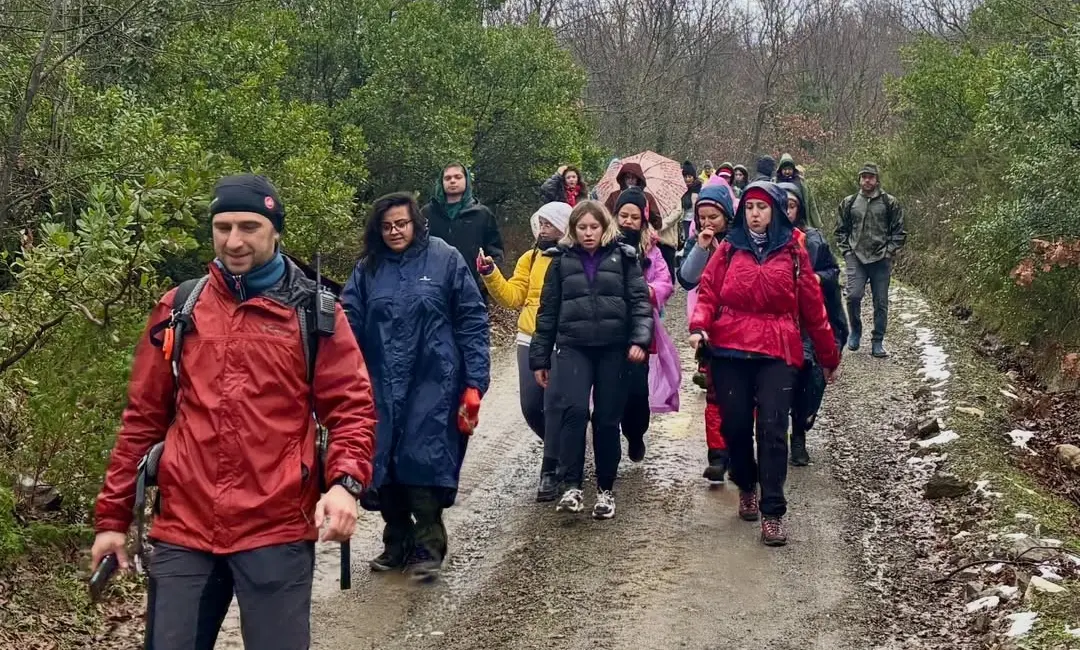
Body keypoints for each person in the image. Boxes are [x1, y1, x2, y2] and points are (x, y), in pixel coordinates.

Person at [91, 174, 377, 649]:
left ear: (275, 230)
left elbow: (352, 408)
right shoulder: (181, 307)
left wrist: (344, 484)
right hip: (185, 526)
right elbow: (142, 418)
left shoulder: (314, 312)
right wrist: (112, 520)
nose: (234, 240)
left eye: (249, 226)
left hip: (276, 525)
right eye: (223, 227)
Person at [342, 192, 491, 582]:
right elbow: (349, 323)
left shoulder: (445, 259)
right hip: (379, 381)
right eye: (387, 226)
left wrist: (474, 382)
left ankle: (428, 545)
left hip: (434, 380)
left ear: (415, 223)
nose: (394, 232)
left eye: (401, 224)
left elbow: (472, 320)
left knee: (423, 463)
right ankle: (397, 541)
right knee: (383, 465)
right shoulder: (367, 269)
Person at [688, 182, 840, 547]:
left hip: (777, 349)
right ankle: (746, 484)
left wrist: (828, 355)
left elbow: (813, 309)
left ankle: (772, 512)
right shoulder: (728, 250)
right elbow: (708, 293)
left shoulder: (794, 254)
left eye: (763, 207)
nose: (756, 214)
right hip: (729, 350)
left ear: (774, 212)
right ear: (743, 212)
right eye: (751, 207)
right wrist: (698, 328)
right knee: (736, 428)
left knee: (772, 429)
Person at [530, 200, 652, 520]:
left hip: (613, 348)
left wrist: (640, 340)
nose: (587, 233)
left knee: (607, 419)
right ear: (572, 230)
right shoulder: (559, 261)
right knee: (575, 410)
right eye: (581, 228)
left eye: (593, 227)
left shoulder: (624, 257)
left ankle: (605, 490)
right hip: (573, 347)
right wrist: (539, 358)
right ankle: (571, 485)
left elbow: (640, 303)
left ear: (604, 227)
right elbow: (547, 312)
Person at [478, 201, 571, 501]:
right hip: (529, 338)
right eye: (540, 223)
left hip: (564, 341)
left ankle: (552, 468)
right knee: (532, 407)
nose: (543, 229)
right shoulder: (529, 259)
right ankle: (562, 447)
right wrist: (491, 274)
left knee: (556, 405)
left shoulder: (575, 258)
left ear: (564, 227)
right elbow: (513, 297)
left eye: (549, 224)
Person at [779, 181, 849, 466]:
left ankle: (799, 434)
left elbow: (833, 270)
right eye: (782, 205)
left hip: (810, 322)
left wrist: (817, 279)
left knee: (810, 378)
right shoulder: (762, 242)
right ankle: (779, 437)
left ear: (800, 208)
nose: (787, 211)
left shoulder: (814, 239)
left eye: (792, 205)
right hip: (780, 323)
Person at [676, 183, 734, 482]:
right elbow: (686, 279)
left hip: (739, 326)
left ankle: (738, 450)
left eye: (714, 217)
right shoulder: (694, 242)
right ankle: (717, 455)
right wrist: (701, 248)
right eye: (703, 218)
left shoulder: (741, 241)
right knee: (714, 392)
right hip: (709, 326)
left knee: (741, 395)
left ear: (726, 215)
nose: (708, 223)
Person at [614, 187, 675, 460]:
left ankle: (635, 432)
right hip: (607, 325)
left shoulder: (651, 249)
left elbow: (665, 282)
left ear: (643, 221)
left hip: (639, 326)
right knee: (607, 387)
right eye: (623, 215)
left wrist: (648, 290)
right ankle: (608, 440)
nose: (627, 221)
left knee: (637, 390)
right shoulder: (604, 244)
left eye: (634, 217)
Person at [834, 163, 906, 358]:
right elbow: (840, 230)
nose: (867, 180)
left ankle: (877, 341)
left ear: (877, 179)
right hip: (856, 256)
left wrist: (889, 252)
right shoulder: (849, 203)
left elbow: (899, 231)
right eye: (864, 176)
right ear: (859, 179)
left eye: (871, 177)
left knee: (881, 302)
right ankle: (855, 331)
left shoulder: (889, 202)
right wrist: (847, 251)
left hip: (881, 258)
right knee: (853, 296)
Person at [422, 162, 504, 298]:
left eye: (457, 177)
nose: (452, 181)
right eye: (447, 178)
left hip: (472, 291)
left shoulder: (482, 214)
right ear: (441, 182)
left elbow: (495, 252)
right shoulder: (427, 213)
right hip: (434, 291)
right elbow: (417, 249)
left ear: (466, 180)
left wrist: (483, 282)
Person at [603, 162, 663, 229]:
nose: (630, 180)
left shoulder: (647, 197)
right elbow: (604, 217)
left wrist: (650, 214)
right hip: (618, 233)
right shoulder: (615, 196)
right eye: (628, 178)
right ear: (623, 179)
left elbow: (658, 225)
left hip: (641, 235)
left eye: (633, 178)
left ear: (638, 179)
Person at [776, 153, 823, 229]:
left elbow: (811, 204)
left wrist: (817, 224)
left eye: (789, 169)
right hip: (781, 223)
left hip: (800, 222)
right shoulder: (775, 183)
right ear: (780, 170)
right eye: (784, 169)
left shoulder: (801, 183)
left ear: (793, 169)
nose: (787, 171)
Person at [680, 161, 702, 245]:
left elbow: (695, 202)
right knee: (687, 239)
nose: (687, 179)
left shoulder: (697, 187)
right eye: (685, 177)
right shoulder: (680, 188)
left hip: (695, 218)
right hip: (684, 218)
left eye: (689, 176)